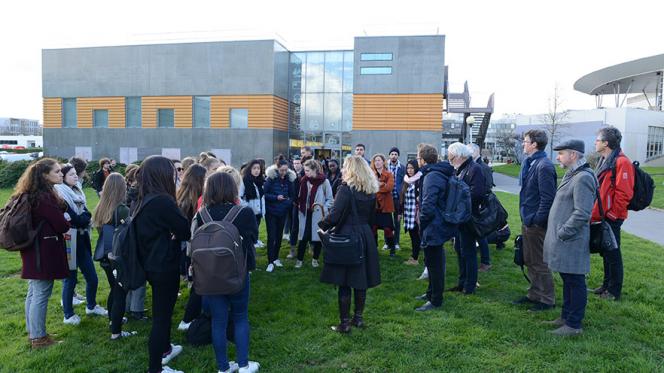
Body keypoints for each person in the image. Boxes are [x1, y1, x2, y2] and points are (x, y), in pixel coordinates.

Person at [194, 172, 260, 373]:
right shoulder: (244, 213)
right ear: (233, 189)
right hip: (238, 274)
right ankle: (243, 364)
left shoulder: (202, 214)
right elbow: (254, 238)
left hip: (210, 275)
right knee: (240, 317)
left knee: (218, 321)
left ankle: (223, 367)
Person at [134, 155, 191, 373]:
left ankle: (166, 348)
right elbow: (184, 230)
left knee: (162, 314)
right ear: (162, 174)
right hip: (163, 265)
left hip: (149, 262)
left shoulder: (143, 197)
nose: (175, 175)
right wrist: (173, 233)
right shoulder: (162, 201)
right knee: (162, 318)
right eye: (172, 171)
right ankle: (155, 368)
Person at [319, 156, 381, 333]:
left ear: (351, 170)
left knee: (345, 281)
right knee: (360, 280)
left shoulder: (346, 189)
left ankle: (345, 323)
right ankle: (358, 319)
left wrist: (322, 226)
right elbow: (371, 217)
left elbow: (335, 215)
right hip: (365, 234)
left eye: (346, 167)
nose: (343, 170)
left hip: (347, 236)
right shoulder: (370, 189)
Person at [543, 139, 597, 336]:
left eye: (561, 153)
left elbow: (582, 213)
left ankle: (573, 325)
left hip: (571, 240)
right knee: (568, 279)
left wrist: (563, 232)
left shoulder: (583, 177)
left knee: (575, 281)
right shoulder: (572, 173)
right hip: (565, 239)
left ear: (573, 155)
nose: (557, 157)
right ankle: (565, 317)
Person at [18, 159, 70, 349]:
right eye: (56, 171)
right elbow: (62, 224)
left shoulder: (33, 193)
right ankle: (38, 338)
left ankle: (34, 332)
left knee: (34, 292)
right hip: (43, 251)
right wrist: (66, 219)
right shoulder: (43, 197)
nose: (61, 174)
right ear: (44, 175)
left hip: (34, 249)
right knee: (40, 293)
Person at [55, 164, 107, 326]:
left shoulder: (77, 191)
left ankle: (91, 306)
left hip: (82, 239)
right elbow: (76, 218)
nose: (76, 176)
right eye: (72, 174)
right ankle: (68, 315)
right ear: (63, 177)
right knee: (70, 279)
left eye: (76, 174)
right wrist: (83, 217)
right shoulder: (59, 194)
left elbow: (86, 213)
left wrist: (83, 216)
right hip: (69, 240)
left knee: (92, 277)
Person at [513, 130, 557, 311]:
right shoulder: (531, 163)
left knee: (539, 261)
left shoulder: (544, 166)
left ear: (534, 144)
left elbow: (548, 198)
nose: (523, 144)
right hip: (528, 220)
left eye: (525, 141)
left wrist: (536, 219)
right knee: (529, 259)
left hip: (536, 223)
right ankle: (534, 294)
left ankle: (547, 299)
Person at [92, 173, 138, 340]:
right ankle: (116, 332)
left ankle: (113, 320)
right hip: (118, 257)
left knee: (114, 290)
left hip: (104, 255)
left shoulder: (100, 207)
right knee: (120, 293)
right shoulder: (122, 209)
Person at [590, 127, 634, 301]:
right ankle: (606, 285)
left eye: (598, 140)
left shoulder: (622, 162)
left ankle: (614, 291)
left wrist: (613, 215)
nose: (595, 142)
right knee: (605, 250)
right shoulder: (605, 159)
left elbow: (625, 194)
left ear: (606, 143)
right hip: (603, 215)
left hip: (612, 217)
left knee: (613, 253)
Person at [414, 144, 457, 311]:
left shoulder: (432, 176)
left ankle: (436, 300)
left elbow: (428, 205)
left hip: (434, 225)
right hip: (437, 223)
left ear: (423, 160)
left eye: (418, 158)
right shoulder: (437, 172)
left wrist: (422, 223)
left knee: (435, 264)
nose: (418, 161)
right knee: (432, 261)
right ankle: (430, 292)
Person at [447, 142, 486, 295]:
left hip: (469, 218)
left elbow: (478, 194)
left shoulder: (475, 169)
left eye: (451, 158)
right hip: (460, 217)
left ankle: (469, 286)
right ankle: (462, 282)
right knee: (459, 249)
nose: (450, 161)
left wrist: (459, 200)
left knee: (468, 251)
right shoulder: (461, 169)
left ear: (459, 156)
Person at [175, 164, 207, 331]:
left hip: (187, 245)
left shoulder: (182, 195)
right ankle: (188, 319)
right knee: (199, 283)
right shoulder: (190, 200)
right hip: (190, 246)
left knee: (198, 282)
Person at [295, 159, 333, 268]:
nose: (305, 172)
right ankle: (299, 260)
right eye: (305, 170)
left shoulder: (324, 182)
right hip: (305, 213)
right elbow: (299, 197)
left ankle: (315, 259)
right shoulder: (304, 180)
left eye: (307, 170)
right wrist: (299, 204)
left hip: (318, 214)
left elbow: (330, 199)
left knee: (318, 238)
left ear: (314, 170)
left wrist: (323, 209)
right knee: (303, 237)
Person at [263, 159, 296, 272]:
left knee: (279, 236)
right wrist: (276, 198)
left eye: (286, 170)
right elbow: (265, 194)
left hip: (282, 212)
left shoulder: (289, 179)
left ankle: (276, 258)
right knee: (271, 237)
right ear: (277, 169)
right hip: (271, 212)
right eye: (281, 170)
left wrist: (287, 203)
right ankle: (270, 261)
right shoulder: (271, 179)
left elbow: (292, 196)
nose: (284, 172)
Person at [468, 143, 494, 272]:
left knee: (480, 233)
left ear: (475, 152)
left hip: (480, 205)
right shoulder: (472, 166)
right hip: (474, 204)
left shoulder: (482, 167)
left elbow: (488, 186)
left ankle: (486, 261)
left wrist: (480, 203)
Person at [370, 154, 396, 257]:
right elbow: (370, 188)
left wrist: (378, 186)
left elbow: (389, 188)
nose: (377, 162)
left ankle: (392, 247)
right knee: (373, 228)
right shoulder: (371, 174)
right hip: (374, 206)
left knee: (388, 229)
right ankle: (374, 248)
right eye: (375, 160)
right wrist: (381, 185)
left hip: (386, 206)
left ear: (383, 162)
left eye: (379, 160)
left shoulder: (389, 174)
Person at [400, 160, 421, 266]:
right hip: (408, 211)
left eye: (412, 168)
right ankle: (414, 255)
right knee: (413, 235)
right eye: (408, 168)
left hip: (416, 213)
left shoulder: (419, 179)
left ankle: (415, 258)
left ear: (416, 168)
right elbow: (402, 197)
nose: (410, 170)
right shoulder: (406, 180)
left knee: (416, 236)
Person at [241, 159, 266, 249]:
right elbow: (240, 197)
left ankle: (255, 241)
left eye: (258, 168)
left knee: (256, 228)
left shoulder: (260, 181)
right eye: (254, 168)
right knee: (250, 230)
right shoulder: (245, 180)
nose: (256, 170)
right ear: (250, 169)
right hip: (249, 210)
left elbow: (262, 196)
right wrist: (247, 208)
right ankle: (251, 245)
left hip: (258, 210)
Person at [387, 147, 406, 251]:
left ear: (398, 156)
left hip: (397, 199)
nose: (394, 156)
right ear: (389, 155)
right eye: (392, 154)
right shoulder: (385, 166)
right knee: (386, 221)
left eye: (396, 154)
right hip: (387, 198)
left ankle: (396, 242)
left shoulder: (402, 168)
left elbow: (404, 182)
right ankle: (387, 242)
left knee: (397, 221)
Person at [288, 157, 303, 259]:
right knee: (294, 227)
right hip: (294, 204)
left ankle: (311, 245)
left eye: (298, 163)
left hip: (304, 204)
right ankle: (293, 249)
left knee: (306, 225)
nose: (296, 165)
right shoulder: (290, 175)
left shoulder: (306, 174)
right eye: (295, 163)